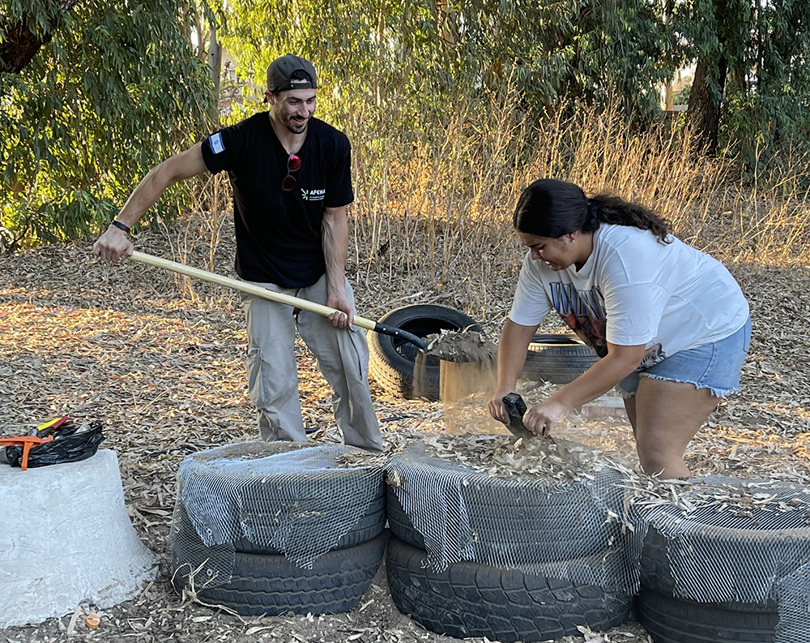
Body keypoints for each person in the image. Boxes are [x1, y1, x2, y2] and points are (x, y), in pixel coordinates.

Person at [93, 54, 383, 452]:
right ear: (270, 98)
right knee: (273, 384)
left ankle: (368, 457)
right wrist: (120, 227)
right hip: (264, 279)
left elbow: (334, 219)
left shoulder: (332, 144)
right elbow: (168, 171)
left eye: (310, 101)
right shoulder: (239, 140)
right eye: (294, 102)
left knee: (352, 365)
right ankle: (288, 468)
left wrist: (336, 288)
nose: (303, 111)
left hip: (318, 274)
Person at [488, 178, 751, 478]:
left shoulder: (625, 255)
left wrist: (558, 403)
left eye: (539, 247)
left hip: (703, 330)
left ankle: (694, 510)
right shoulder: (540, 264)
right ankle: (661, 507)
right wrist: (504, 388)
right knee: (650, 451)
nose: (534, 256)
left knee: (658, 453)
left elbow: (625, 358)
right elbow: (519, 327)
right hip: (644, 343)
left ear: (570, 234)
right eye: (530, 248)